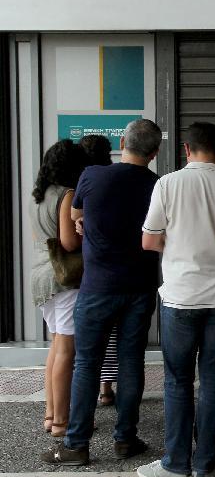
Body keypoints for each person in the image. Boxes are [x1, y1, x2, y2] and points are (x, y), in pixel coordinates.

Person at [137, 121, 215, 477]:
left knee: (177, 380)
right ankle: (205, 464)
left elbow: (149, 241)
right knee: (213, 378)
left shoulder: (167, 184)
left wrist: (180, 245)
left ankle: (176, 463)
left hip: (181, 297)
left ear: (186, 150)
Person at [40, 121, 162, 466]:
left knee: (86, 363)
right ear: (154, 153)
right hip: (139, 287)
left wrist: (84, 223)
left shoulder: (92, 175)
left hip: (97, 288)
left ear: (122, 142)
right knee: (130, 362)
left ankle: (76, 445)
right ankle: (126, 439)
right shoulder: (157, 184)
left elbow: (78, 216)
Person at [30, 139, 86, 438]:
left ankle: (51, 415)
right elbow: (67, 243)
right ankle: (62, 422)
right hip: (62, 277)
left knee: (56, 345)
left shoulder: (37, 197)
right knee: (67, 348)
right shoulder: (67, 194)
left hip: (40, 276)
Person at [77, 134, 117, 407]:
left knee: (87, 343)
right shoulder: (114, 178)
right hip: (115, 268)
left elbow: (75, 219)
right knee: (113, 334)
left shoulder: (82, 180)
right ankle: (106, 388)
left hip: (87, 270)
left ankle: (83, 402)